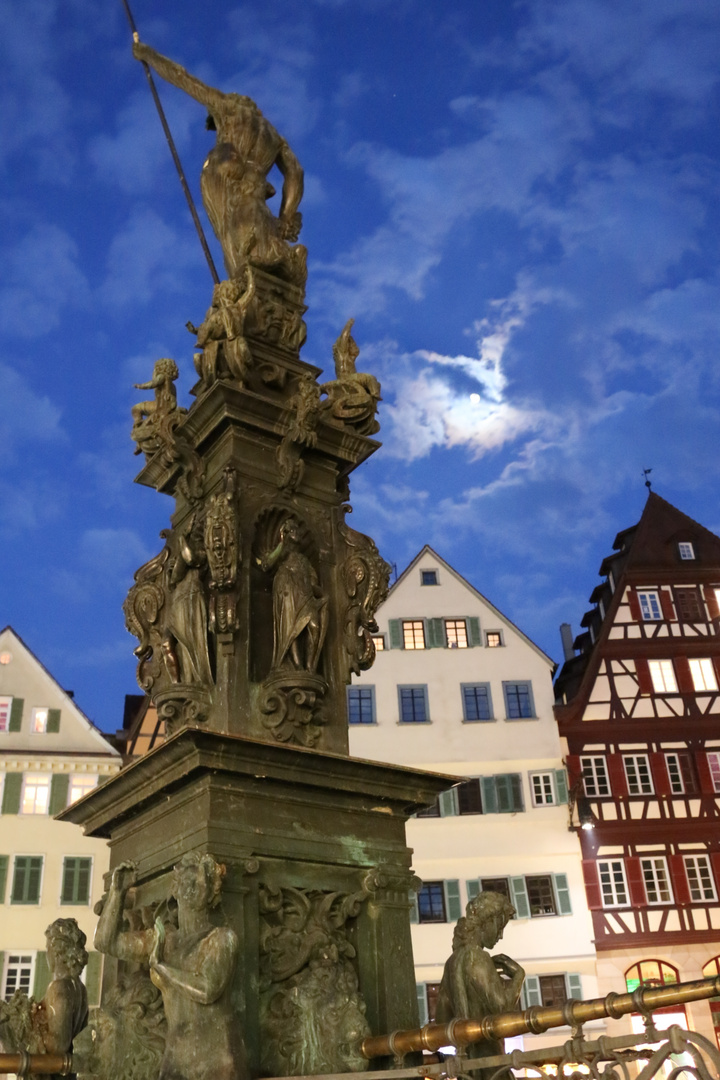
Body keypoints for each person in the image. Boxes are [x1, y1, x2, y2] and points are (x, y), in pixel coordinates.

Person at [132, 39, 305, 284]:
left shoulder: (228, 108)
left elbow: (184, 78)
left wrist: (148, 54)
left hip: (230, 190)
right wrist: (287, 216)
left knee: (233, 253)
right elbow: (296, 172)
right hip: (258, 201)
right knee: (262, 250)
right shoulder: (274, 136)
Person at [94, 854, 246, 1080]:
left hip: (217, 1058)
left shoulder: (222, 938)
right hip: (176, 1055)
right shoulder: (164, 940)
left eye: (198, 883)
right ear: (175, 889)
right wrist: (117, 893)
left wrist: (162, 967)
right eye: (185, 881)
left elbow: (207, 989)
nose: (191, 887)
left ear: (212, 893)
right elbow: (105, 942)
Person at [435, 891, 525, 1072]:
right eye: (500, 927)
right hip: (489, 1063)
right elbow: (503, 1010)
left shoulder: (452, 962)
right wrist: (518, 976)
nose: (500, 936)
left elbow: (441, 1019)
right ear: (488, 922)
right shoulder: (478, 957)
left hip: (466, 1065)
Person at [260, 519, 328, 673]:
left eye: (296, 530)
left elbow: (313, 582)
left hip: (305, 596)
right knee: (291, 630)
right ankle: (297, 666)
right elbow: (266, 565)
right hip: (287, 593)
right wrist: (281, 544)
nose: (297, 533)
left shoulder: (304, 559)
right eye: (292, 530)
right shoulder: (281, 553)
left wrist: (322, 595)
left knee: (314, 626)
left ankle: (310, 666)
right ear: (285, 534)